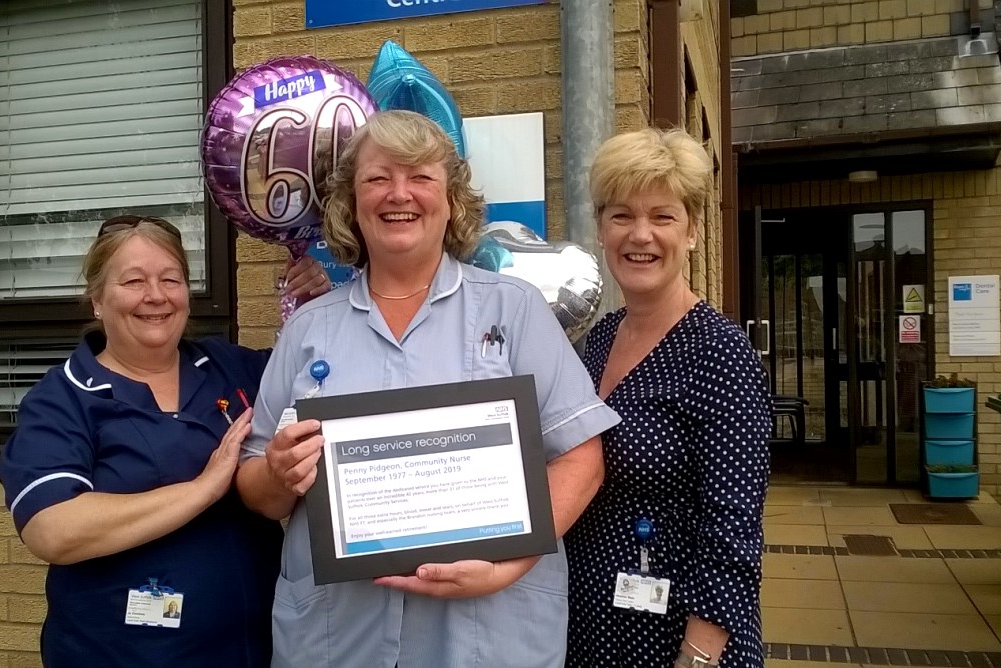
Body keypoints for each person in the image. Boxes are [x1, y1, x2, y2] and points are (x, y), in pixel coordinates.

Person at [234, 110, 621, 668]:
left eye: (421, 177)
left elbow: (582, 457)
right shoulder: (308, 329)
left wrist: (505, 566)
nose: (400, 194)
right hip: (340, 637)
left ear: (452, 200)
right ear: (350, 201)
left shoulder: (513, 311)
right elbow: (256, 486)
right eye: (377, 178)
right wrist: (276, 472)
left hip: (484, 634)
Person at [0, 215, 331, 667]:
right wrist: (202, 489)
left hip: (252, 649)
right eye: (133, 281)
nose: (156, 296)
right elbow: (52, 529)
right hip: (119, 654)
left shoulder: (231, 369)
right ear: (97, 299)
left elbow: (326, 385)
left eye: (170, 279)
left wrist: (319, 310)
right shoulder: (66, 397)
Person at [564, 129, 771, 668]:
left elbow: (735, 530)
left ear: (694, 231)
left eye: (662, 216)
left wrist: (697, 658)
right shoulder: (597, 339)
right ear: (601, 230)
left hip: (681, 637)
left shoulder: (721, 354)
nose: (641, 235)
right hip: (592, 625)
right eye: (621, 216)